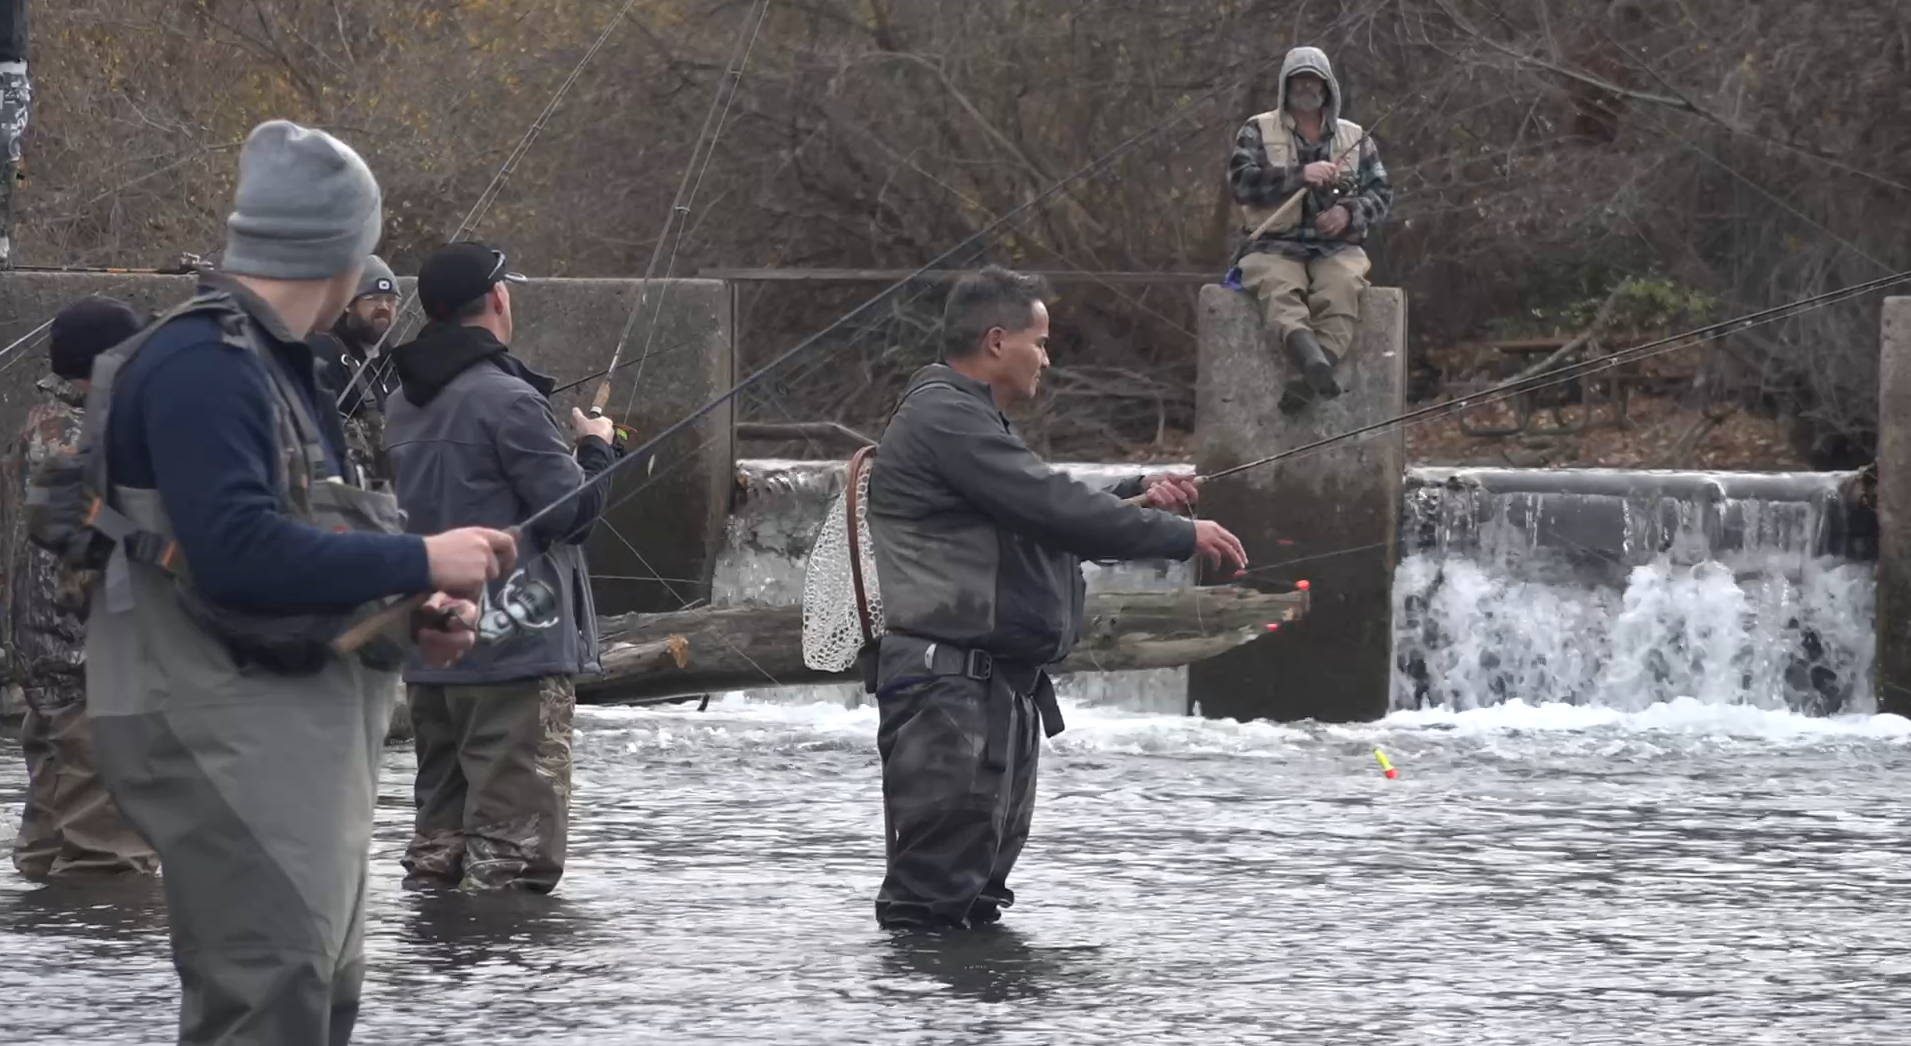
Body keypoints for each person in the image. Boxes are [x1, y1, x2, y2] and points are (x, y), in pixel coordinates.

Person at [76, 119, 516, 1046]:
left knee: (317, 991)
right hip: (215, 729)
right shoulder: (204, 364)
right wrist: (423, 557)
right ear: (343, 251)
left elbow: (278, 559)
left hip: (279, 726)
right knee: (269, 998)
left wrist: (406, 616)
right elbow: (238, 551)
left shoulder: (278, 367)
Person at [863, 265, 1249, 930]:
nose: (1044, 358)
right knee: (931, 902)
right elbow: (1048, 504)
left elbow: (1031, 517)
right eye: (1038, 342)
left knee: (975, 897)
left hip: (988, 694)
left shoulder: (968, 419)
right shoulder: (945, 417)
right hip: (949, 694)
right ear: (994, 342)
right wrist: (1178, 534)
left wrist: (1129, 497)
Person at [382, 240, 618, 894]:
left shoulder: (401, 404)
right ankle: (501, 990)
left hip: (434, 651)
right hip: (514, 651)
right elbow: (570, 515)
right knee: (514, 858)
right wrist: (598, 452)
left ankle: (434, 974)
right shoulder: (508, 400)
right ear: (497, 299)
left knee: (438, 845)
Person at [5, 295, 157, 880]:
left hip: (49, 655)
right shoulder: (75, 439)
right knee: (109, 855)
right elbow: (101, 534)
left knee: (46, 849)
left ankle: (49, 960)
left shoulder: (40, 424)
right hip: (85, 655)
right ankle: (106, 964)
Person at [1226, 45, 1392, 413]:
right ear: (1285, 86)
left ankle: (1317, 369)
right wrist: (1297, 175)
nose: (1306, 87)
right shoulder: (1257, 129)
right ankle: (1310, 357)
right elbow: (1240, 183)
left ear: (1328, 86)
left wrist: (1349, 213)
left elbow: (1381, 194)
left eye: (1313, 79)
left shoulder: (1356, 138)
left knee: (1342, 288)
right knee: (1278, 287)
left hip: (1336, 248)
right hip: (1273, 245)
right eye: (1298, 79)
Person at [309, 254, 400, 488]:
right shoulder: (323, 351)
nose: (384, 307)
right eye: (373, 298)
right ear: (348, 304)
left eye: (391, 300)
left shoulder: (396, 359)